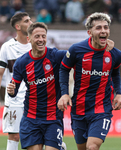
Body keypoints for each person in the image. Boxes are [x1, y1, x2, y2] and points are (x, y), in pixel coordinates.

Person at [7, 21, 115, 150]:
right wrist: (11, 90)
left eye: (43, 36)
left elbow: (79, 52)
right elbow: (13, 91)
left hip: (53, 117)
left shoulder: (56, 55)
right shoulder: (21, 63)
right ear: (29, 39)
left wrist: (100, 43)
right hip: (31, 118)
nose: (41, 39)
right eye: (37, 36)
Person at [58, 12, 121, 150]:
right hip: (79, 108)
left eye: (106, 27)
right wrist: (64, 93)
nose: (103, 31)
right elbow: (64, 70)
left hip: (102, 108)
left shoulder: (115, 54)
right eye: (98, 28)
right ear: (89, 32)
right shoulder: (77, 50)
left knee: (92, 147)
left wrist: (119, 93)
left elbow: (116, 73)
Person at [0, 12, 32, 150]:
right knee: (14, 137)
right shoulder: (7, 47)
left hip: (35, 99)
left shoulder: (36, 45)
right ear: (18, 26)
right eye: (27, 21)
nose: (31, 23)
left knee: (37, 135)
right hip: (14, 100)